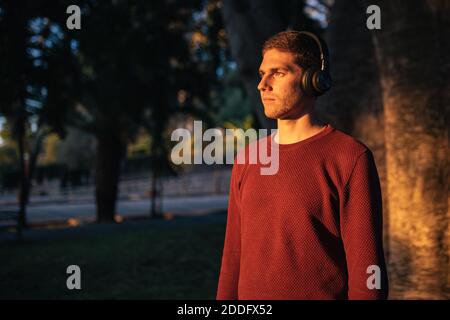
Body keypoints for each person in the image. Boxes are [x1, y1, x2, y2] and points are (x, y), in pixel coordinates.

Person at [216, 30, 389, 300]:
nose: (263, 84)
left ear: (312, 81)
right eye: (262, 73)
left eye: (278, 73)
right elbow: (232, 259)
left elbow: (368, 275)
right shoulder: (247, 159)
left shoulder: (350, 158)